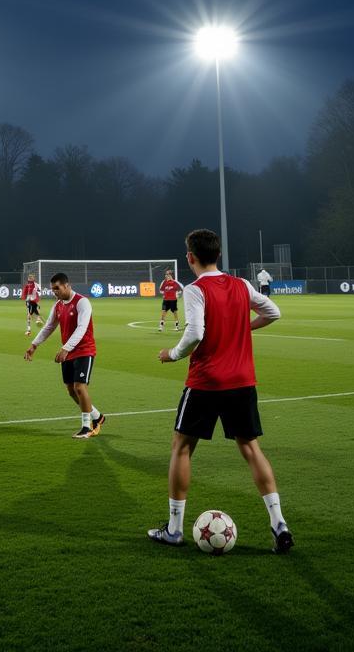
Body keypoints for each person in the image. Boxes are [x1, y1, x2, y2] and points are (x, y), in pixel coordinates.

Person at [148, 229, 293, 553]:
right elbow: (274, 312)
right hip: (243, 381)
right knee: (251, 449)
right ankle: (279, 523)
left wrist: (171, 354)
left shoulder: (196, 290)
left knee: (181, 447)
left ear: (190, 257)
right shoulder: (241, 284)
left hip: (206, 382)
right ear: (219, 255)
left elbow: (196, 332)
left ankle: (173, 529)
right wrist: (244, 326)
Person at [24, 272, 106, 439]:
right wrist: (34, 345)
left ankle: (86, 427)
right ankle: (98, 417)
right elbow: (48, 327)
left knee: (80, 387)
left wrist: (66, 348)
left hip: (84, 350)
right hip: (68, 351)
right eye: (53, 289)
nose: (55, 291)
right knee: (71, 390)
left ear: (67, 285)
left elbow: (82, 328)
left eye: (57, 288)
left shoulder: (82, 302)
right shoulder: (58, 305)